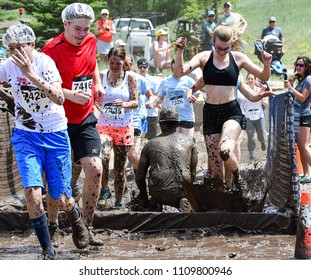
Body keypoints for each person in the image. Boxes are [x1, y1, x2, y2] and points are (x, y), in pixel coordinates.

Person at [0, 24, 89, 258]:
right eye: (10, 49)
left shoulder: (45, 63)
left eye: (19, 48)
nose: (15, 54)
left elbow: (59, 97)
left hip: (55, 134)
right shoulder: (7, 66)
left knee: (59, 198)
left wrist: (30, 74)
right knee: (32, 193)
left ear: (32, 46)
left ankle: (75, 216)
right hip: (26, 135)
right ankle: (47, 250)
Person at [174, 23, 272, 193]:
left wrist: (266, 63)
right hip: (211, 113)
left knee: (225, 150)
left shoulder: (238, 58)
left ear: (230, 45)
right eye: (219, 48)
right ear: (213, 41)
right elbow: (180, 72)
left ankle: (238, 179)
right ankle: (225, 197)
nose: (222, 52)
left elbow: (263, 76)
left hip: (231, 112)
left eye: (226, 49)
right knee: (217, 172)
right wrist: (180, 51)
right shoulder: (204, 57)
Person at [41, 3, 104, 247]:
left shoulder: (91, 40)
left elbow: (92, 63)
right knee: (55, 178)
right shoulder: (50, 50)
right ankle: (53, 226)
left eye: (86, 29)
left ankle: (86, 226)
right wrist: (68, 95)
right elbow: (42, 86)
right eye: (77, 29)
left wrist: (97, 83)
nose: (82, 34)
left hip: (85, 116)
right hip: (57, 119)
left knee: (96, 169)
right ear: (65, 25)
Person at [96, 47, 138, 208]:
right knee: (103, 156)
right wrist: (97, 105)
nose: (114, 66)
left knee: (119, 169)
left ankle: (119, 201)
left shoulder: (130, 77)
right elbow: (94, 97)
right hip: (104, 125)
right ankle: (104, 189)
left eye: (118, 63)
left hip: (123, 127)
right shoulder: (101, 75)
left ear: (124, 63)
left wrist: (125, 104)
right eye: (112, 62)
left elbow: (135, 102)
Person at [134, 107, 198, 211]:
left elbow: (140, 177)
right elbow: (193, 174)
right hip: (183, 190)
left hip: (159, 191)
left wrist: (143, 195)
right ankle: (185, 199)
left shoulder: (150, 144)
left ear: (161, 124)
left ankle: (155, 201)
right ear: (178, 124)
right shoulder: (190, 142)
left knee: (155, 196)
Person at [123, 54, 157, 176]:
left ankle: (139, 172)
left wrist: (151, 102)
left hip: (138, 118)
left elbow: (151, 95)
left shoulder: (139, 79)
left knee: (134, 152)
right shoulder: (112, 77)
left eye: (128, 63)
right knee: (122, 154)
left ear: (131, 64)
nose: (125, 66)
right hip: (117, 120)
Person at [158, 59, 202, 138]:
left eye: (180, 67)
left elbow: (200, 97)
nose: (178, 69)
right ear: (172, 67)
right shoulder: (165, 81)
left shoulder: (189, 81)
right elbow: (160, 97)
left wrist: (195, 99)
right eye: (175, 67)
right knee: (172, 144)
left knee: (187, 143)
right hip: (171, 118)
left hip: (187, 116)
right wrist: (158, 103)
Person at [284, 56, 311, 184]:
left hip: (305, 115)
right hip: (299, 115)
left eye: (301, 65)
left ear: (306, 67)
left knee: (304, 146)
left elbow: (303, 98)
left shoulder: (309, 79)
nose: (298, 67)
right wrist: (292, 84)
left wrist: (290, 87)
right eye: (297, 65)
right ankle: (306, 174)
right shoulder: (301, 81)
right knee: (301, 146)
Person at [243, 73, 268, 161]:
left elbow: (265, 101)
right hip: (249, 117)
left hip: (259, 116)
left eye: (252, 79)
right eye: (248, 79)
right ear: (246, 80)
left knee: (260, 135)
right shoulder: (244, 91)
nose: (250, 80)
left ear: (255, 80)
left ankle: (263, 142)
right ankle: (251, 155)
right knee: (250, 136)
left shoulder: (259, 90)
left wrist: (263, 100)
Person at [137, 58, 162, 140]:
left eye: (144, 67)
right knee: (138, 139)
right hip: (138, 114)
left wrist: (153, 103)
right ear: (137, 68)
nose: (142, 69)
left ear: (147, 68)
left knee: (151, 140)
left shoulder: (154, 80)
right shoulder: (134, 79)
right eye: (140, 67)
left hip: (151, 114)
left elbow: (156, 95)